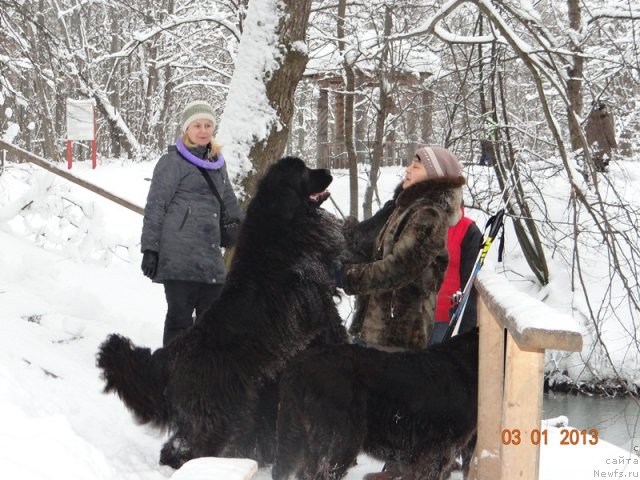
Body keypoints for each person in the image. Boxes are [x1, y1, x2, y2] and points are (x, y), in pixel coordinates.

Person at [337, 145, 466, 352]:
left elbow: (399, 269)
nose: (407, 169)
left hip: (396, 337)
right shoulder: (406, 209)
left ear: (433, 176)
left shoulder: (429, 215)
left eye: (416, 166)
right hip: (375, 331)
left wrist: (346, 276)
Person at [140, 100, 243, 346]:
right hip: (178, 254)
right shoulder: (171, 162)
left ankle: (201, 376)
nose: (203, 130)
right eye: (197, 125)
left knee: (212, 322)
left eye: (208, 125)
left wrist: (244, 231)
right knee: (179, 320)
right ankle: (172, 374)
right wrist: (150, 249)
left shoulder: (218, 162)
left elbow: (229, 201)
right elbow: (156, 205)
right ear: (186, 129)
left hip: (209, 255)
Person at [428, 203, 482, 346]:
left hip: (445, 316)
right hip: (415, 314)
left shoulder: (468, 230)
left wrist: (466, 324)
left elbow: (470, 281)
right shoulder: (419, 223)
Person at [585, 101, 617, 172]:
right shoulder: (604, 119)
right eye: (605, 109)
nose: (606, 110)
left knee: (596, 161)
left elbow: (587, 133)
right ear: (601, 110)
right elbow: (609, 133)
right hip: (604, 144)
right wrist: (613, 144)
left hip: (593, 145)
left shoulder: (590, 119)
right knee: (604, 161)